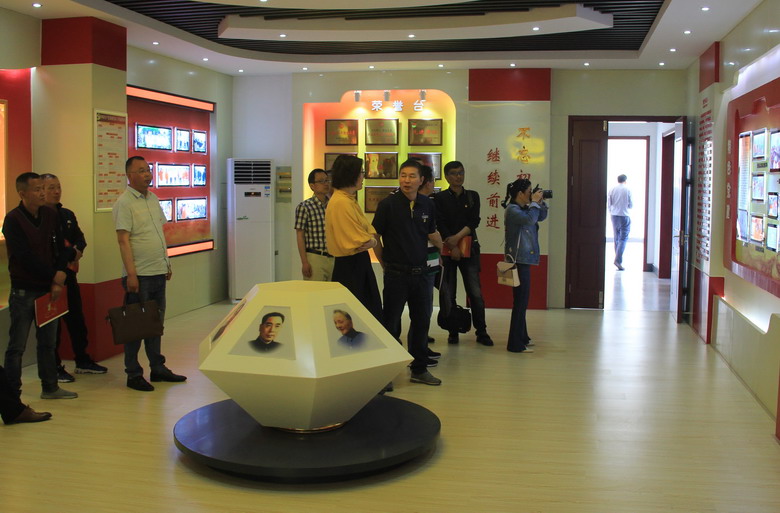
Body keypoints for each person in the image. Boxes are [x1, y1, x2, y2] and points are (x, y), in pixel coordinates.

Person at [113, 156, 187, 392]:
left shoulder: (153, 198)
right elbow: (123, 241)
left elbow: (158, 234)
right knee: (135, 327)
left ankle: (157, 368)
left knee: (155, 325)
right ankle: (133, 374)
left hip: (157, 271)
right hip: (139, 275)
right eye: (141, 171)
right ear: (129, 175)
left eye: (148, 170)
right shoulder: (124, 203)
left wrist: (166, 263)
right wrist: (131, 274)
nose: (147, 174)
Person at [3, 172, 78, 400]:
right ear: (22, 194)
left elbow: (60, 248)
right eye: (37, 190)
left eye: (43, 189)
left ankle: (50, 387)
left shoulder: (50, 214)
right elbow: (24, 257)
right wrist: (54, 276)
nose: (43, 193)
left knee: (48, 343)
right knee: (17, 346)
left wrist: (59, 275)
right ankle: (11, 395)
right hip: (24, 289)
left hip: (49, 288)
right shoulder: (13, 220)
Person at [373, 159, 442, 386]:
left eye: (412, 176)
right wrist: (383, 263)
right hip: (396, 274)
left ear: (421, 180)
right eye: (403, 175)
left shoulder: (427, 204)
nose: (406, 180)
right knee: (391, 323)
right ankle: (387, 374)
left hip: (422, 274)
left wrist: (441, 252)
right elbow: (376, 237)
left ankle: (419, 369)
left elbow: (430, 234)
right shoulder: (388, 205)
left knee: (421, 322)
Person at [40, 173, 108, 382]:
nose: (56, 191)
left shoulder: (66, 214)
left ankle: (82, 360)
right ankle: (54, 366)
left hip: (69, 275)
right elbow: (52, 249)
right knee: (52, 325)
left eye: (58, 187)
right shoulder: (39, 218)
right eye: (51, 188)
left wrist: (76, 250)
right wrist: (69, 253)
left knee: (76, 319)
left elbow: (80, 239)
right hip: (49, 277)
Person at [434, 161, 493, 346]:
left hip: (470, 249)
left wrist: (457, 239)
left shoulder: (472, 196)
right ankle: (453, 330)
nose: (458, 176)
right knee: (448, 292)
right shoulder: (439, 198)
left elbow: (474, 221)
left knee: (475, 292)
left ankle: (481, 331)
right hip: (447, 250)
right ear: (446, 177)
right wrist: (451, 245)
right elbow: (439, 223)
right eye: (453, 173)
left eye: (461, 172)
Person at [325, 155, 382, 321]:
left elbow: (369, 231)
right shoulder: (341, 202)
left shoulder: (347, 199)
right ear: (351, 175)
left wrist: (371, 239)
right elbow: (361, 239)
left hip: (356, 263)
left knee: (364, 312)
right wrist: (371, 240)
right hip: (350, 265)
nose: (363, 176)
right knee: (357, 316)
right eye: (361, 172)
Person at [502, 179, 548, 353]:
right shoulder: (512, 210)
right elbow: (529, 220)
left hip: (524, 260)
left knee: (522, 301)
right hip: (518, 261)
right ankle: (514, 344)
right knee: (520, 302)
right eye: (529, 191)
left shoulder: (524, 209)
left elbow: (540, 216)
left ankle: (523, 337)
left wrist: (540, 202)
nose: (531, 194)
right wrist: (535, 203)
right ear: (520, 194)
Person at [409, 164, 441, 362]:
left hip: (430, 260)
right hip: (422, 263)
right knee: (422, 308)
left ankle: (421, 346)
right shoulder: (417, 204)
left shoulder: (427, 203)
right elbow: (432, 233)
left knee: (425, 308)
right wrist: (441, 246)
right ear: (426, 182)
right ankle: (417, 350)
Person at [295, 168, 334, 281]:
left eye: (327, 180)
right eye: (321, 181)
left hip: (334, 257)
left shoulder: (333, 205)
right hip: (315, 257)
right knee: (315, 291)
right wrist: (304, 262)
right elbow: (300, 236)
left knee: (334, 291)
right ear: (312, 186)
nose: (326, 184)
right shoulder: (304, 207)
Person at [608, 174, 633, 271]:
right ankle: (618, 260)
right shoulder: (627, 189)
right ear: (625, 180)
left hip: (614, 216)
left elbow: (609, 203)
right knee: (623, 239)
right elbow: (631, 205)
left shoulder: (612, 189)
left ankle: (618, 260)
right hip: (624, 215)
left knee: (616, 238)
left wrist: (612, 211)